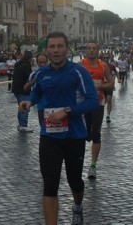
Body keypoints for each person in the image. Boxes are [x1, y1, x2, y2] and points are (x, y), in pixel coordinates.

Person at [19, 32, 99, 225]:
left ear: (67, 49)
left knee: (75, 182)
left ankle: (78, 207)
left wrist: (68, 111)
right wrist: (29, 103)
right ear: (47, 50)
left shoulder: (78, 72)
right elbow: (37, 93)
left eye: (60, 46)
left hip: (74, 135)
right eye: (52, 47)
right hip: (49, 136)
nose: (56, 50)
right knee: (50, 183)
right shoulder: (42, 73)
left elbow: (93, 102)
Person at [79, 41, 114, 180]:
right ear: (86, 51)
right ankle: (79, 161)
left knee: (96, 132)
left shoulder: (103, 65)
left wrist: (101, 87)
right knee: (83, 133)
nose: (92, 51)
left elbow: (111, 82)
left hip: (98, 102)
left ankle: (93, 165)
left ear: (98, 51)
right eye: (89, 48)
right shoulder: (81, 65)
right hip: (83, 102)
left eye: (94, 49)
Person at [11, 50, 34, 132]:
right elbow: (30, 77)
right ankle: (23, 125)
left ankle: (21, 124)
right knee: (25, 107)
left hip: (16, 89)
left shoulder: (18, 64)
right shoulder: (26, 66)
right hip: (23, 89)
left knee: (21, 106)